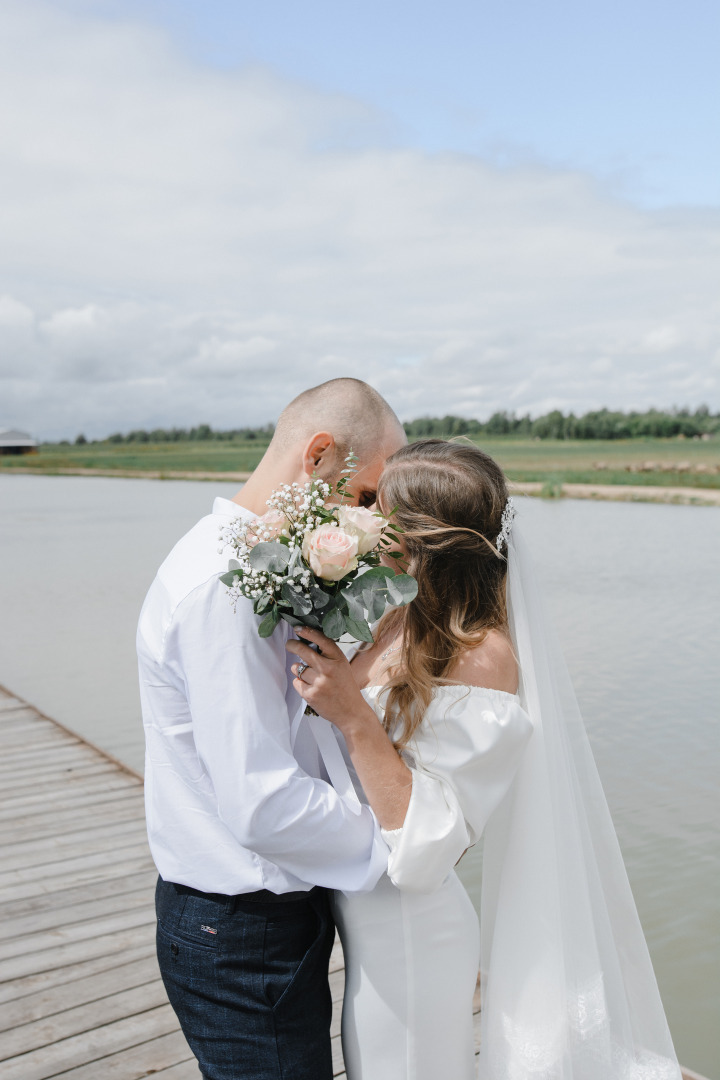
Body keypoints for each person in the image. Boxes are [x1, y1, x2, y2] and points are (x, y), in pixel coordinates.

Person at [287, 439, 682, 1080]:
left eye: (377, 511)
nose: (362, 522)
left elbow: (425, 850)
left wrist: (351, 713)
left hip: (410, 934)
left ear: (420, 539)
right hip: (360, 915)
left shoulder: (482, 657)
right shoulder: (395, 617)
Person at [137, 378, 407, 1080]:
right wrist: (403, 838)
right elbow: (264, 803)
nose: (370, 520)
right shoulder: (224, 587)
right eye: (368, 496)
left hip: (253, 920)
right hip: (242, 933)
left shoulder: (245, 560)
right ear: (320, 455)